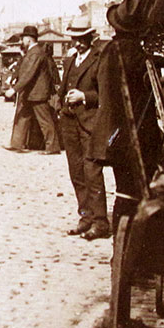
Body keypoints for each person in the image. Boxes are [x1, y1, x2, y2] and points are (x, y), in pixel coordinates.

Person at [90, 0, 161, 229]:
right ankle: (132, 244)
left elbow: (104, 92)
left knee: (124, 190)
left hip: (115, 134)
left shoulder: (109, 52)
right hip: (141, 133)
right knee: (139, 190)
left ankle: (121, 247)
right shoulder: (140, 56)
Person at [56, 18, 106, 237]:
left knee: (92, 171)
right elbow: (62, 88)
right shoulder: (70, 61)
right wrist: (59, 107)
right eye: (74, 39)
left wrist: (84, 96)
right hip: (69, 122)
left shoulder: (99, 59)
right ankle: (85, 217)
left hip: (89, 123)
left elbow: (105, 92)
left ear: (90, 37)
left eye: (81, 39)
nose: (77, 43)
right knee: (76, 171)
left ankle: (101, 222)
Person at [6, 26, 60, 153]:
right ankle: (16, 144)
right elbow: (22, 70)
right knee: (22, 117)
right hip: (30, 92)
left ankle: (52, 147)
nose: (22, 41)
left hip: (37, 93)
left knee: (45, 121)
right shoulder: (32, 52)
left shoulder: (36, 53)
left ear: (29, 39)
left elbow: (29, 73)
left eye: (23, 38)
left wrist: (14, 89)